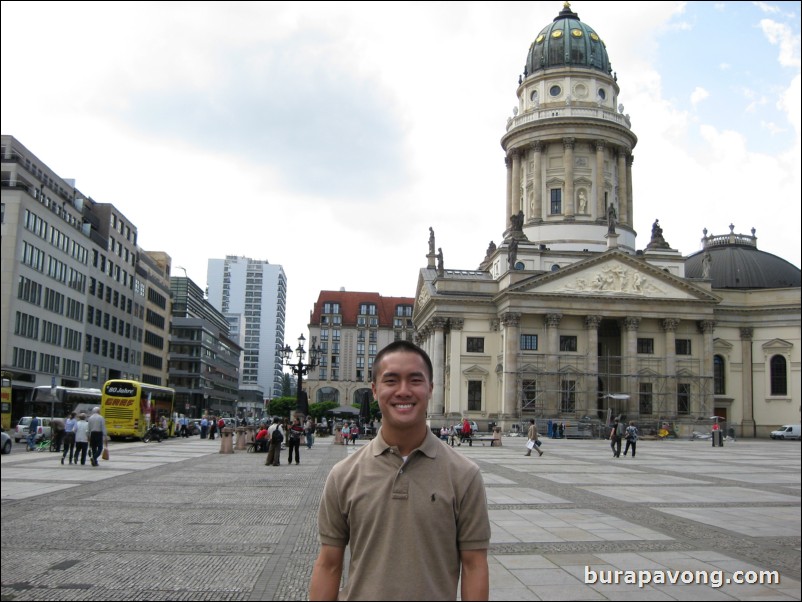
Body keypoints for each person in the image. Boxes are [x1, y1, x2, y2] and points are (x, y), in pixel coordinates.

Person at [309, 340, 490, 601]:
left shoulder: (464, 475)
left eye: (415, 380)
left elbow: (474, 565)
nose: (403, 391)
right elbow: (328, 564)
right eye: (391, 380)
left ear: (430, 388)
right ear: (374, 389)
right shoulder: (343, 475)